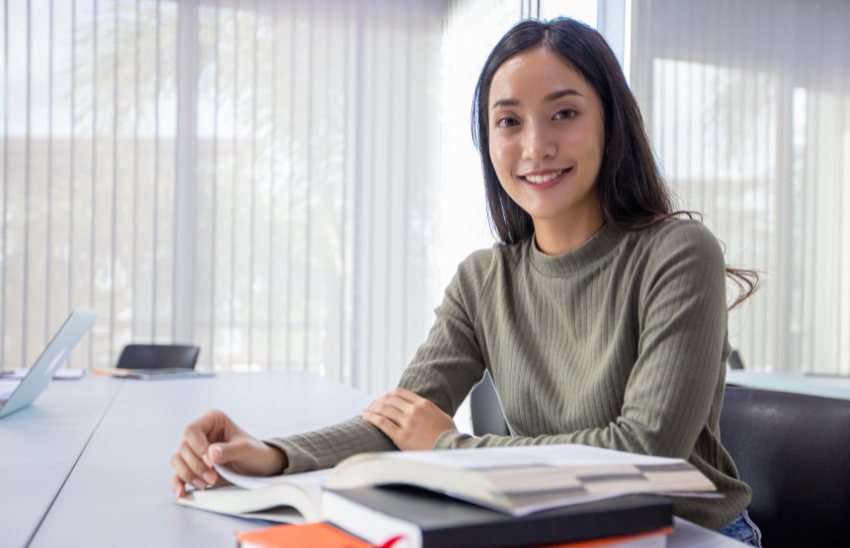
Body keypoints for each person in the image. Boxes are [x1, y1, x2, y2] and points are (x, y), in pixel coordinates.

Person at [170, 18, 762, 546]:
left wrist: (451, 450)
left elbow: (644, 450)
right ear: (488, 141)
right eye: (509, 121)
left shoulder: (679, 253)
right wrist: (270, 454)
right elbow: (400, 422)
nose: (536, 146)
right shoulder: (483, 279)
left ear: (611, 123)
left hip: (690, 534)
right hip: (563, 530)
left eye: (564, 112)